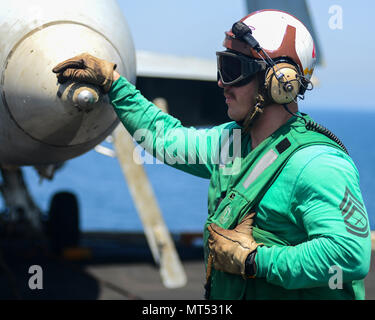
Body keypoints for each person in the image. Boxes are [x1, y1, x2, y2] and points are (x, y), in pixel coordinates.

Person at [52, 9, 371, 300]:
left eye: (233, 69)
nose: (221, 82)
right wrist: (114, 84)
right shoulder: (232, 143)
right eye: (222, 66)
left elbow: (349, 255)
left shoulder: (316, 164)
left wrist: (253, 261)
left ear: (279, 82)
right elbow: (166, 138)